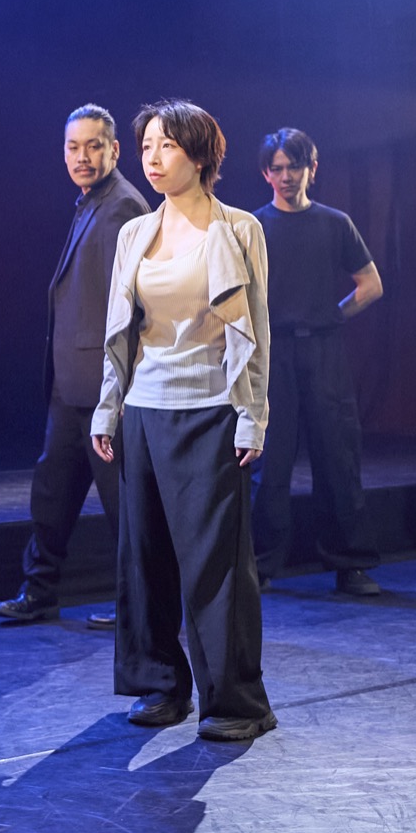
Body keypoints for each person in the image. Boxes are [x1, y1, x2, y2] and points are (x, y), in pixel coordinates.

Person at [92, 99, 275, 742]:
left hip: (210, 411)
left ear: (199, 156)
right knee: (144, 557)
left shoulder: (239, 229)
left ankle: (237, 703)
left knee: (215, 564)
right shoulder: (135, 234)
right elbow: (121, 333)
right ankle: (161, 686)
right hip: (145, 409)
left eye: (166, 145)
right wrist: (108, 407)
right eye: (146, 146)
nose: (153, 158)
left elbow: (256, 334)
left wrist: (252, 418)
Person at [0, 105, 149, 627]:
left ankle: (141, 609)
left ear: (114, 150)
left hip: (103, 386)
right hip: (71, 385)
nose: (81, 157)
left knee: (124, 505)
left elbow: (127, 308)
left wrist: (117, 388)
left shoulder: (122, 206)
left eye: (93, 146)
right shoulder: (90, 203)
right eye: (73, 147)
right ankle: (39, 591)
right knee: (52, 494)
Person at [248, 128, 384, 595]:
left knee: (337, 458)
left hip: (324, 350)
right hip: (273, 353)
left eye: (295, 167)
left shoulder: (334, 223)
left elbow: (371, 285)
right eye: (278, 168)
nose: (286, 176)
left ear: (312, 169)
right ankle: (260, 566)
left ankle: (351, 564)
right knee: (269, 462)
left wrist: (333, 316)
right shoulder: (253, 227)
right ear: (266, 173)